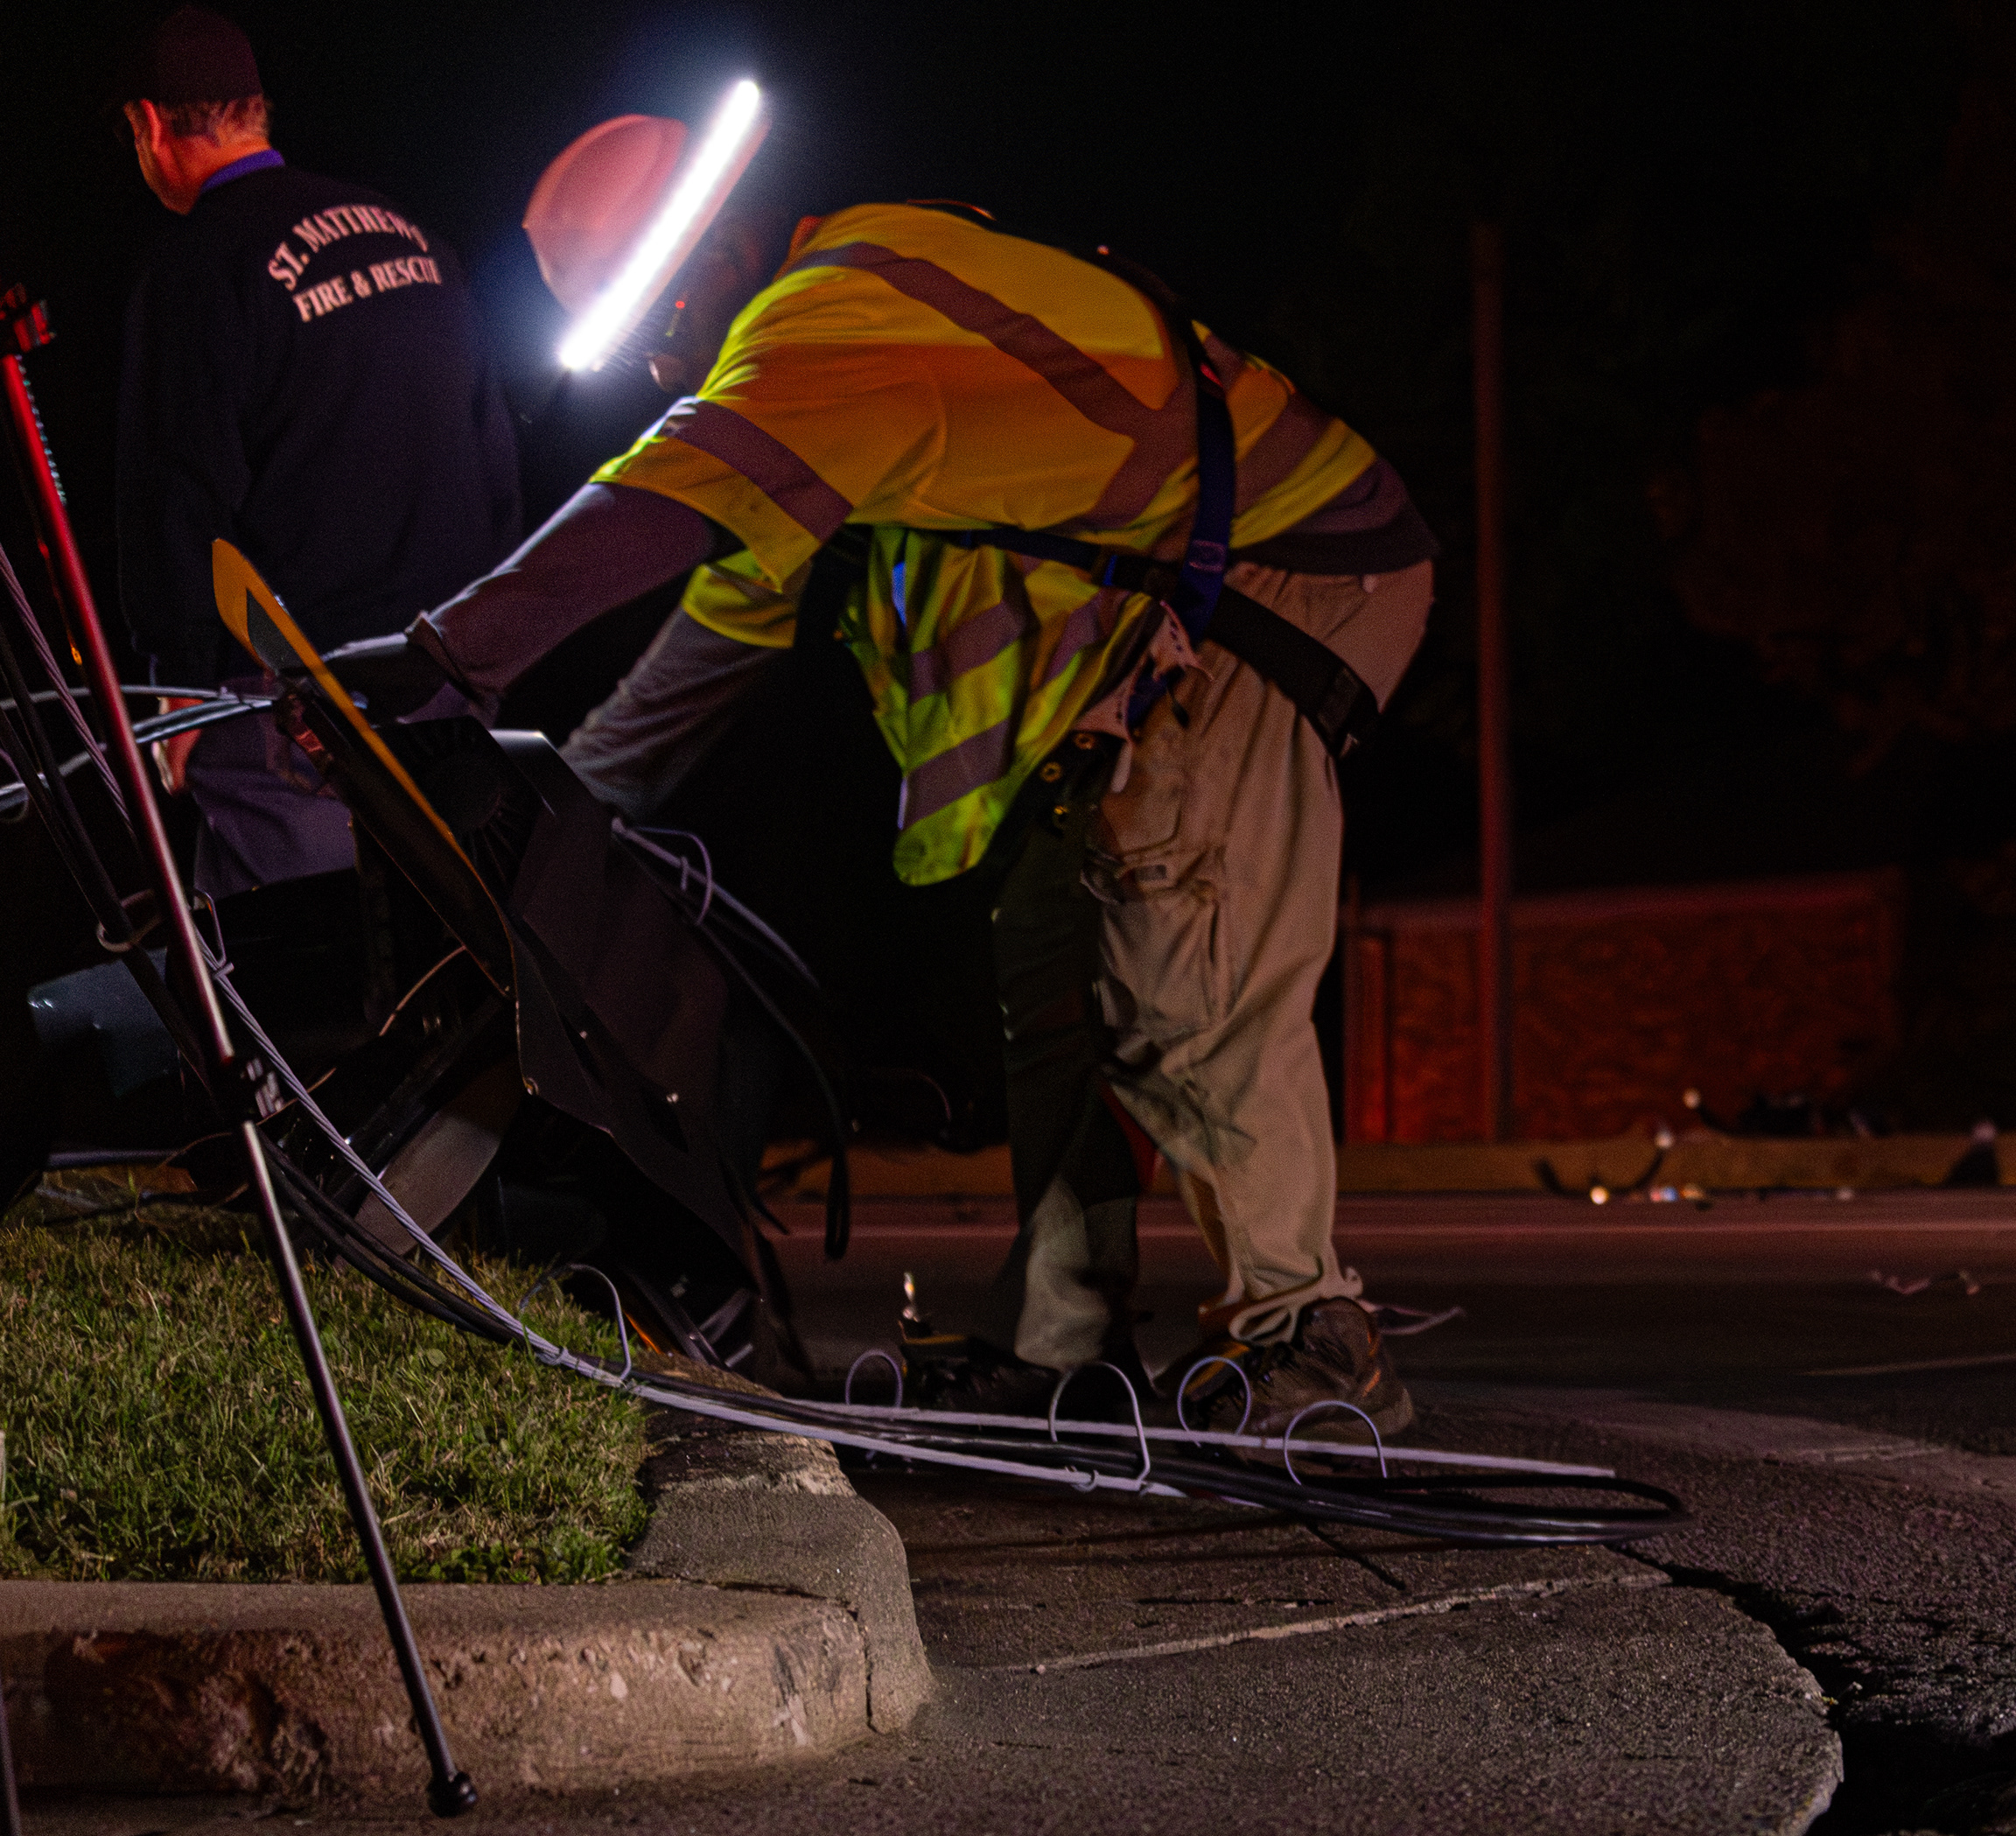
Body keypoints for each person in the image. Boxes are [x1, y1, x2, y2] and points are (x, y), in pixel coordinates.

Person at [333, 102, 1437, 1437]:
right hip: (1165, 615)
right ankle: (1065, 1345)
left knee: (1175, 963)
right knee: (1053, 978)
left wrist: (449, 652)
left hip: (1278, 574)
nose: (657, 370)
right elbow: (704, 652)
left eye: (658, 327)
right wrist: (532, 815)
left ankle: (1313, 1335)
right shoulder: (833, 403)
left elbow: (672, 486)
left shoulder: (841, 310)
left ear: (720, 250)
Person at [111, 5, 522, 895]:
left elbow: (175, 497)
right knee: (460, 954)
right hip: (450, 676)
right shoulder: (407, 231)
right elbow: (493, 444)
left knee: (313, 987)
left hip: (298, 712)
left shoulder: (194, 271)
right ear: (256, 108)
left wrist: (177, 689)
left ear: (148, 127)